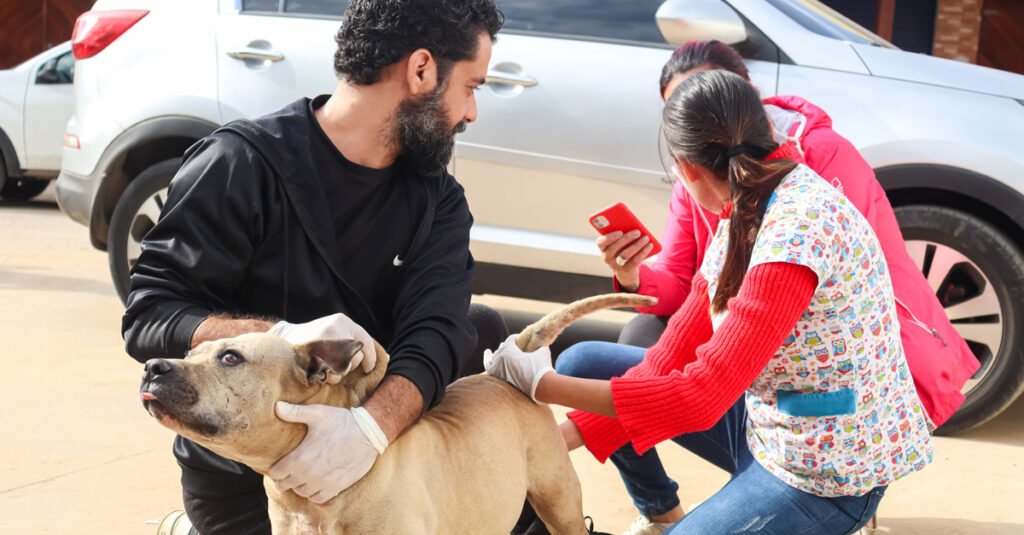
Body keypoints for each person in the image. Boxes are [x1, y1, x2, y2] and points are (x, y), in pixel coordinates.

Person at [486, 69, 935, 535]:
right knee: (587, 360)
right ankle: (664, 514)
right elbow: (670, 355)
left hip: (828, 470)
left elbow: (700, 399)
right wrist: (548, 447)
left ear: (687, 170)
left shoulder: (793, 234)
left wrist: (542, 385)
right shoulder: (748, 204)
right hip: (774, 420)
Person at [121, 1, 505, 533]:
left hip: (383, 464)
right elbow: (151, 315)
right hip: (246, 474)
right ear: (421, 71)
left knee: (480, 330)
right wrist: (276, 338)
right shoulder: (242, 165)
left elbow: (435, 332)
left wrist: (367, 431)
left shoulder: (438, 202)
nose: (471, 113)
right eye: (472, 87)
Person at [600, 42, 976, 429]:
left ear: (747, 95)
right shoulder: (696, 179)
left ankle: (779, 467)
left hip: (828, 361)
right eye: (683, 105)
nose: (701, 111)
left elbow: (832, 294)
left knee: (725, 394)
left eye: (713, 93)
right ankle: (661, 491)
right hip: (750, 336)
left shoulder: (814, 173)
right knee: (631, 344)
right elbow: (686, 287)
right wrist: (632, 276)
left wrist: (547, 389)